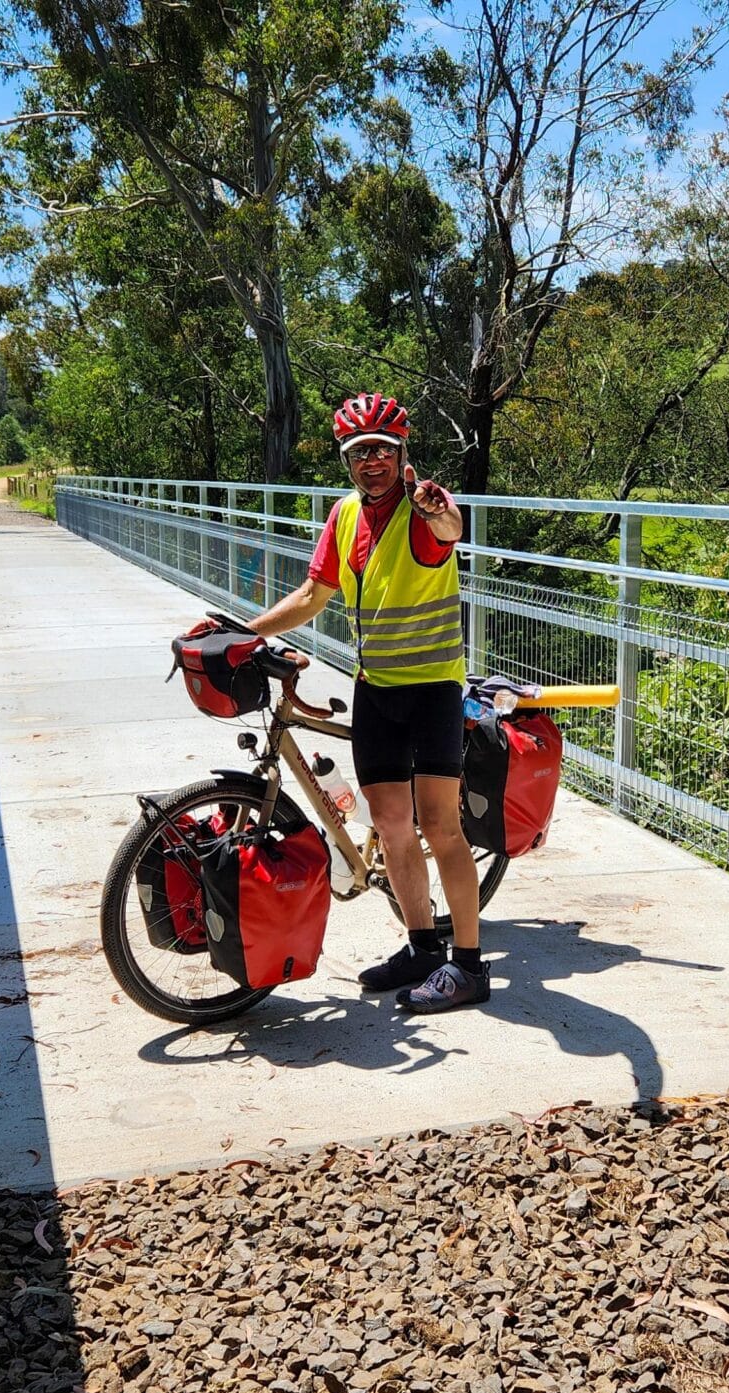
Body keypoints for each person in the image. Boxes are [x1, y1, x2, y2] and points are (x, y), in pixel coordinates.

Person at [241, 393, 488, 1013]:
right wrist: (247, 633)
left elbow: (448, 533)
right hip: (374, 688)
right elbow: (312, 593)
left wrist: (442, 515)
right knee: (392, 828)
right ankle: (423, 945)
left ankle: (468, 966)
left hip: (431, 689)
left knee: (441, 826)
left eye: (381, 449)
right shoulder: (345, 515)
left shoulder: (422, 509)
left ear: (402, 453)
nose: (370, 461)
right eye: (357, 452)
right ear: (347, 462)